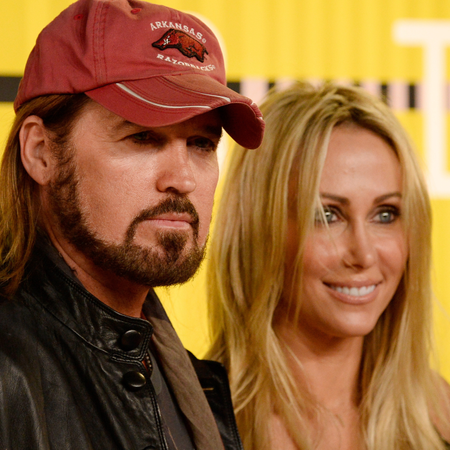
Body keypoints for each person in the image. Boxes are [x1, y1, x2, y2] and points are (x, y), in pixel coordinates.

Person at [0, 0, 264, 449]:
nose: (180, 178)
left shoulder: (200, 384)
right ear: (41, 152)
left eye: (201, 144)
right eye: (142, 136)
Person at [207, 81, 450, 450]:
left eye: (385, 214)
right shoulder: (190, 419)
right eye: (326, 215)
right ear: (259, 228)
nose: (364, 255)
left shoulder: (440, 415)